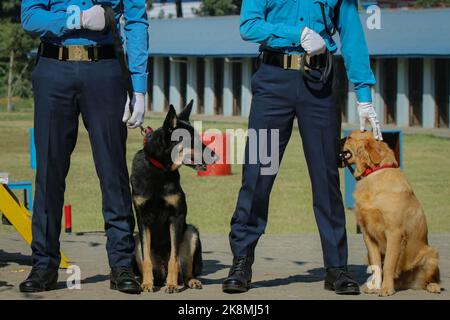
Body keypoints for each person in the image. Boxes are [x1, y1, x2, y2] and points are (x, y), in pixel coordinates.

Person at [222, 0, 382, 295]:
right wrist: (298, 34)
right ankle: (241, 261)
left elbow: (351, 33)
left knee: (326, 178)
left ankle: (337, 268)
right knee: (258, 173)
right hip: (273, 83)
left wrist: (363, 93)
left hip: (320, 85)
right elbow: (249, 25)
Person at [19, 0, 149, 294]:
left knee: (113, 172)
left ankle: (122, 265)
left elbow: (137, 20)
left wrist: (139, 85)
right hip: (54, 69)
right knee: (49, 174)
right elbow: (29, 16)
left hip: (105, 71)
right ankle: (44, 265)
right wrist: (73, 20)